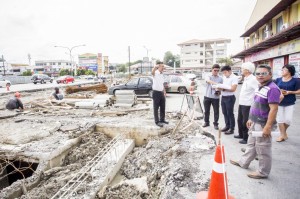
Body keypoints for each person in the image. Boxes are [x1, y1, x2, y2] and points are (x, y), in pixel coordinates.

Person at [230, 65, 281, 179]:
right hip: (255, 121)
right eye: (258, 73)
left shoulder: (272, 89)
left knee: (263, 148)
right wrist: (250, 118)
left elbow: (274, 109)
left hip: (263, 123)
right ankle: (244, 162)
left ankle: (263, 172)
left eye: (263, 73)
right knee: (251, 144)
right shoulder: (260, 86)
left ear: (270, 75)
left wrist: (267, 127)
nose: (260, 76)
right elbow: (255, 104)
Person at [274, 64, 300, 142]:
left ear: (289, 71)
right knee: (280, 119)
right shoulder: (278, 79)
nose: (282, 71)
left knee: (288, 120)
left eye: (284, 70)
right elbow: (273, 89)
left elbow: (299, 91)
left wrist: (289, 92)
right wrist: (279, 91)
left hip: (290, 102)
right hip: (279, 102)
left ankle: (283, 132)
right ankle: (282, 135)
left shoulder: (296, 80)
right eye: (282, 69)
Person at [236, 62, 259, 144]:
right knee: (240, 120)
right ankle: (241, 134)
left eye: (243, 69)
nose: (241, 70)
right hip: (242, 102)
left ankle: (246, 138)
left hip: (248, 104)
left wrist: (255, 103)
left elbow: (257, 91)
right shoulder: (246, 78)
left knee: (246, 121)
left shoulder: (253, 79)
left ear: (248, 70)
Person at [202, 64, 223, 130]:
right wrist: (216, 84)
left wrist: (219, 90)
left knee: (216, 111)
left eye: (217, 71)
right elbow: (208, 81)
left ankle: (216, 124)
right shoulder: (208, 76)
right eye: (215, 70)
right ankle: (206, 122)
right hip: (207, 96)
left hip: (215, 97)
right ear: (212, 69)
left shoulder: (220, 78)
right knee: (206, 111)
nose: (216, 72)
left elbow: (221, 88)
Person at [220, 65, 238, 135]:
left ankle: (231, 128)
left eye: (225, 72)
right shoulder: (224, 77)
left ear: (230, 71)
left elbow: (233, 89)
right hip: (223, 97)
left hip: (230, 97)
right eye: (223, 73)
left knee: (230, 113)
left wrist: (223, 89)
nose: (224, 74)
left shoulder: (234, 78)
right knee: (224, 112)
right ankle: (227, 126)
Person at [152, 61, 168, 127]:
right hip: (156, 92)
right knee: (156, 108)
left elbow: (162, 83)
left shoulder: (161, 74)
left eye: (163, 66)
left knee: (163, 106)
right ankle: (157, 121)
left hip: (161, 92)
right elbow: (152, 72)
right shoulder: (155, 72)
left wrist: (164, 91)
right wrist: (154, 67)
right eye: (162, 66)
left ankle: (162, 119)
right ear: (158, 66)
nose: (163, 67)